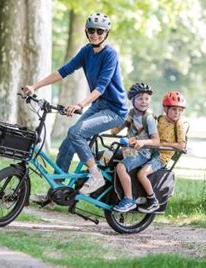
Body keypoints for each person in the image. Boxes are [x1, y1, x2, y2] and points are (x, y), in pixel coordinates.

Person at [22, 12, 128, 195]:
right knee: (67, 144)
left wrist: (80, 105)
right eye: (91, 30)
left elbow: (101, 87)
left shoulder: (110, 54)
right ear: (86, 32)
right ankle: (57, 192)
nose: (95, 34)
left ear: (106, 33)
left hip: (115, 110)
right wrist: (35, 86)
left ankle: (96, 176)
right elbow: (64, 71)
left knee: (75, 132)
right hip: (99, 105)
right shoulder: (87, 51)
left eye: (100, 31)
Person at [111, 83, 160, 212]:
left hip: (143, 153)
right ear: (132, 100)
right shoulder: (132, 113)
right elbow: (116, 129)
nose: (144, 101)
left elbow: (156, 141)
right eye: (140, 98)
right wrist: (114, 126)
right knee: (105, 156)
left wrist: (143, 142)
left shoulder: (148, 118)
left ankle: (129, 199)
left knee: (121, 167)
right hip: (129, 150)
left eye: (146, 98)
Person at [136, 91, 187, 213]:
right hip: (150, 151)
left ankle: (153, 201)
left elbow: (181, 145)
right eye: (174, 109)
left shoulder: (179, 125)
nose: (177, 113)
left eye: (180, 110)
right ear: (165, 108)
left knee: (142, 174)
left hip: (161, 157)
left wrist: (163, 144)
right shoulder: (160, 119)